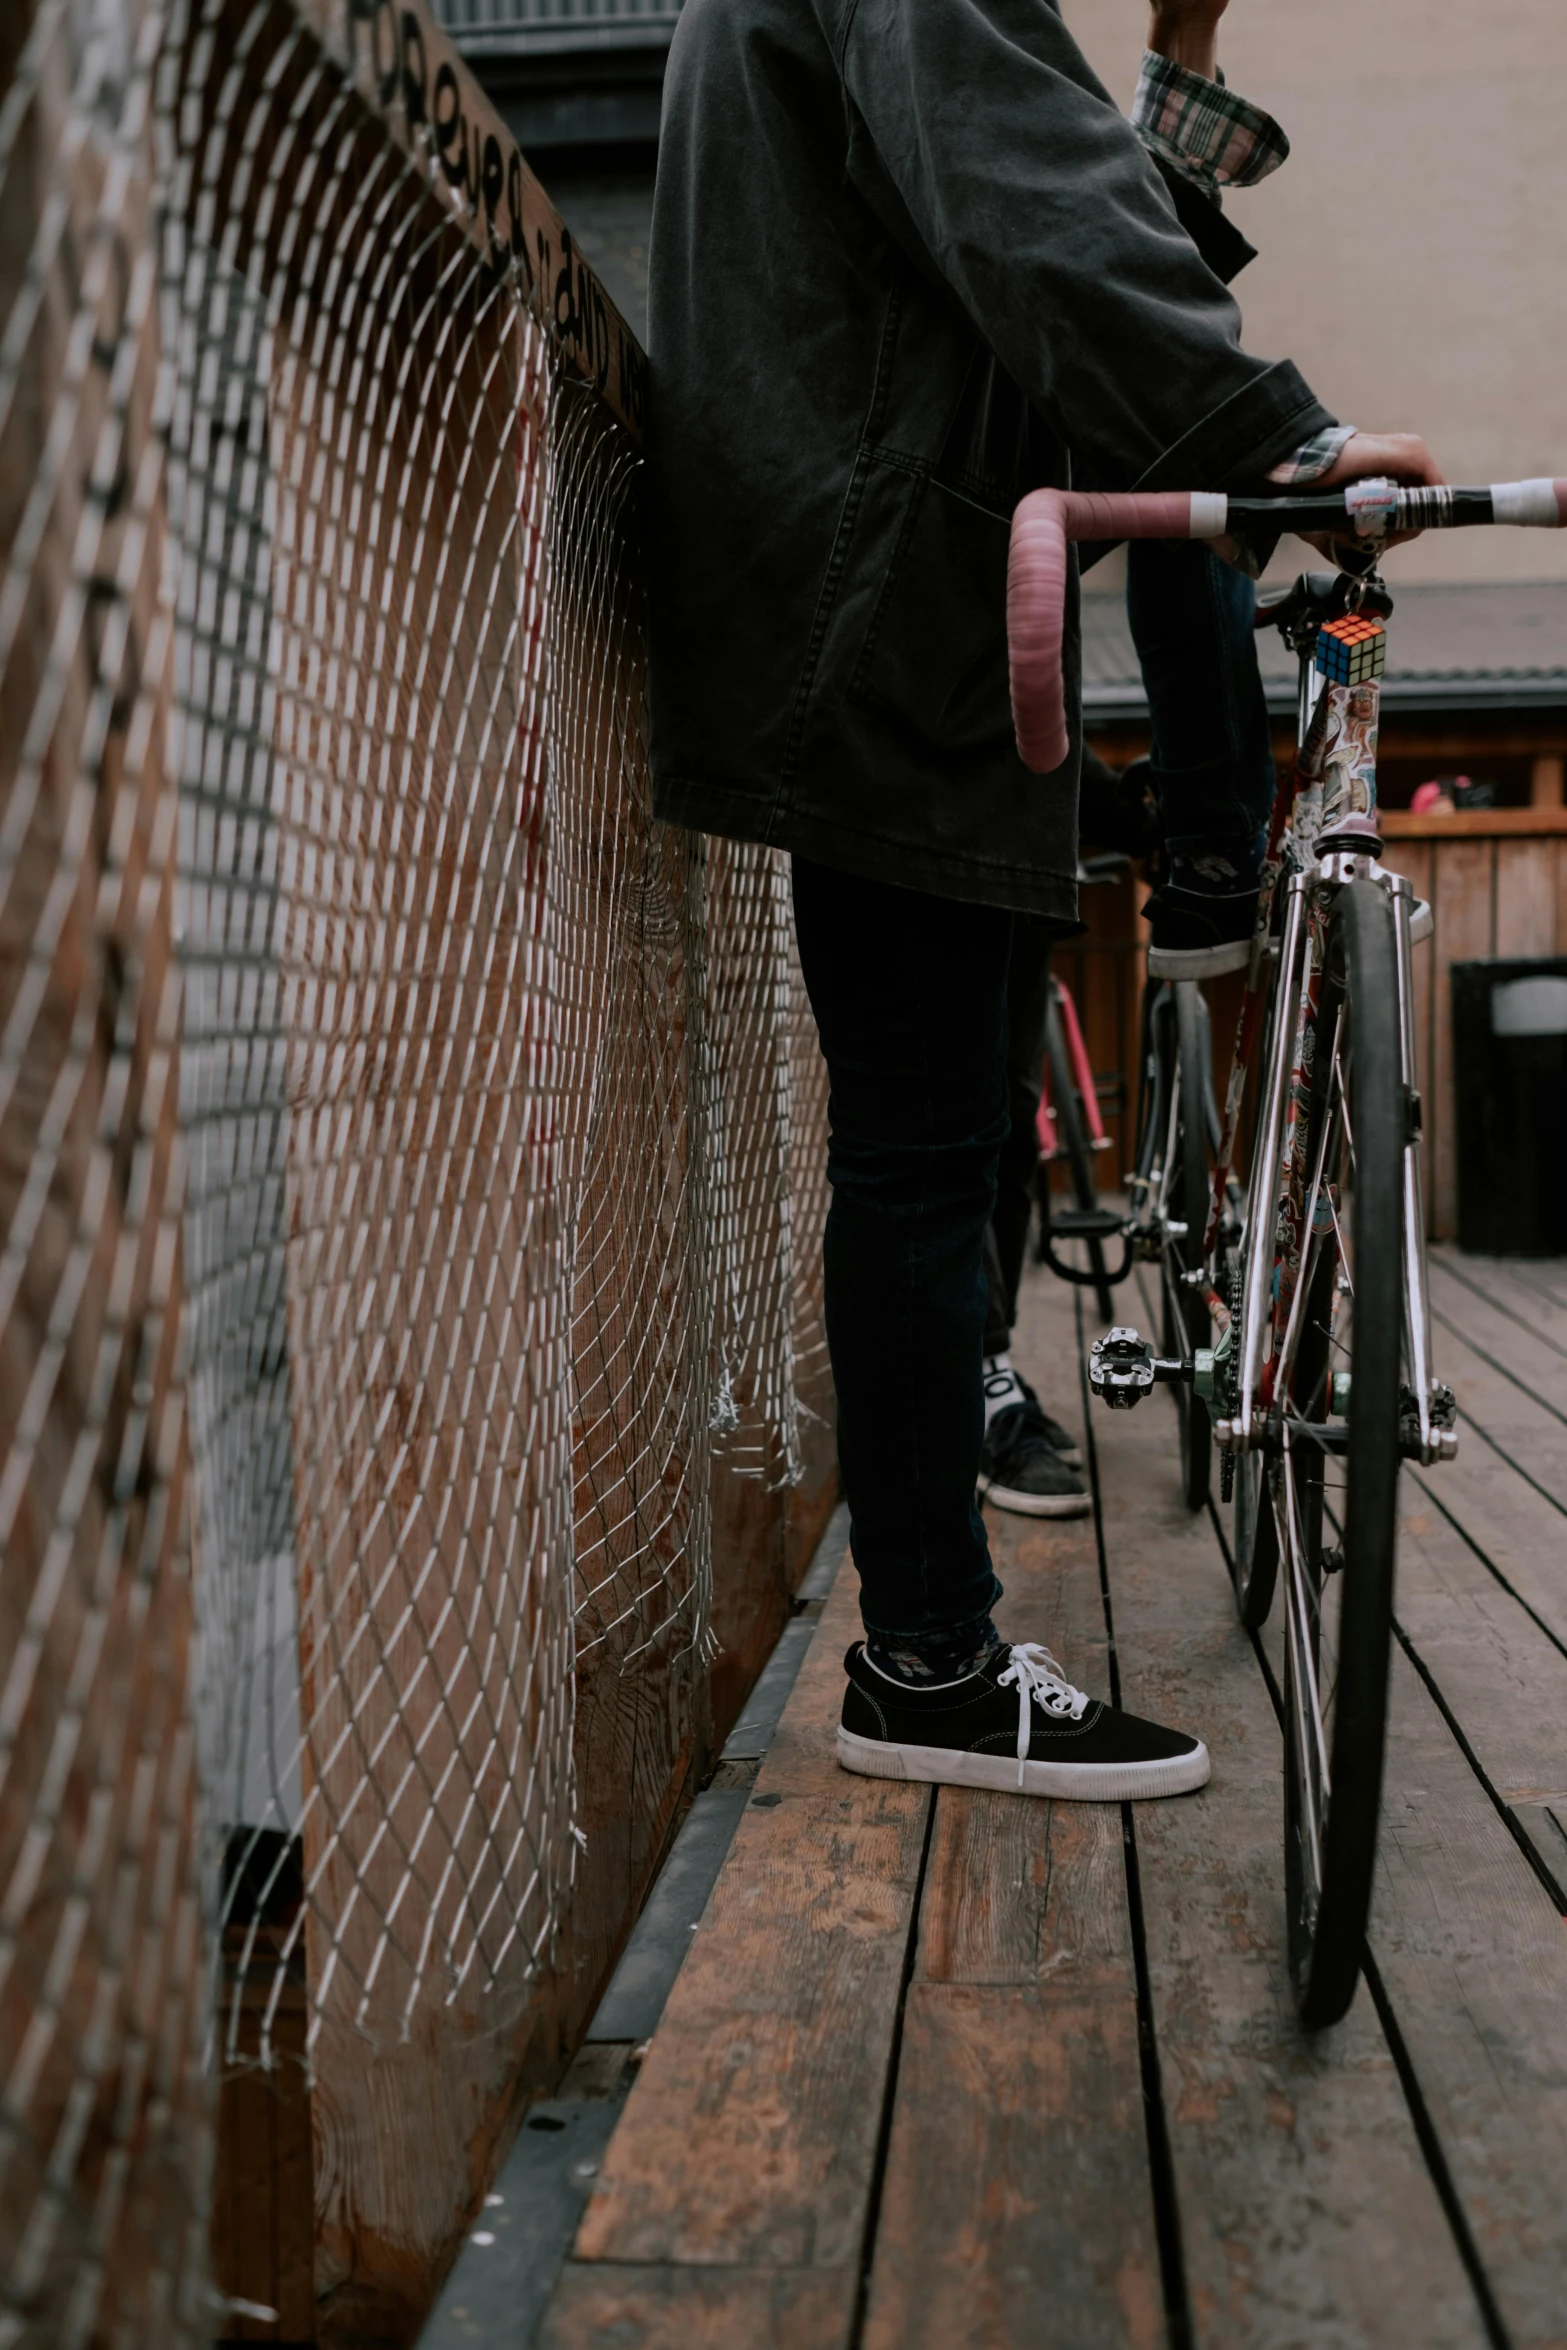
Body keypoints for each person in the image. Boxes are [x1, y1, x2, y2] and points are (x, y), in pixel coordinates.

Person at [646, 0, 1441, 1800]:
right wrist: (1280, 440)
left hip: (897, 587)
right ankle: (924, 1663)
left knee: (947, 1139)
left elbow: (1055, 207)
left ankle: (928, 1631)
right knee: (926, 1154)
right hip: (894, 596)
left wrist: (1171, 59)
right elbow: (1036, 205)